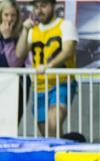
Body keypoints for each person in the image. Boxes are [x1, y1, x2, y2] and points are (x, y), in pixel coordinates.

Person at [15, 0, 79, 137]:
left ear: (53, 6)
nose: (39, 10)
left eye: (44, 5)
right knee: (48, 135)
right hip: (39, 87)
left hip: (61, 83)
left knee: (53, 124)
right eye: (36, 6)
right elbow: (19, 54)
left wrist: (48, 66)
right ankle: (63, 155)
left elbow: (68, 51)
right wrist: (25, 29)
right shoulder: (33, 30)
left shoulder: (65, 25)